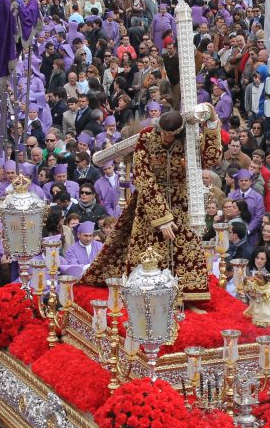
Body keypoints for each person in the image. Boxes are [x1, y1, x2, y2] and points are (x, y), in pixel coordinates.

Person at [80, 109, 222, 306]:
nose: (165, 138)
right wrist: (162, 217)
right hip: (150, 204)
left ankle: (186, 296)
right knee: (148, 247)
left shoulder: (189, 139)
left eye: (170, 135)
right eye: (162, 133)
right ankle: (145, 292)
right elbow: (144, 178)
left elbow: (212, 158)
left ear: (179, 132)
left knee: (186, 247)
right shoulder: (147, 138)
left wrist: (213, 122)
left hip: (182, 201)